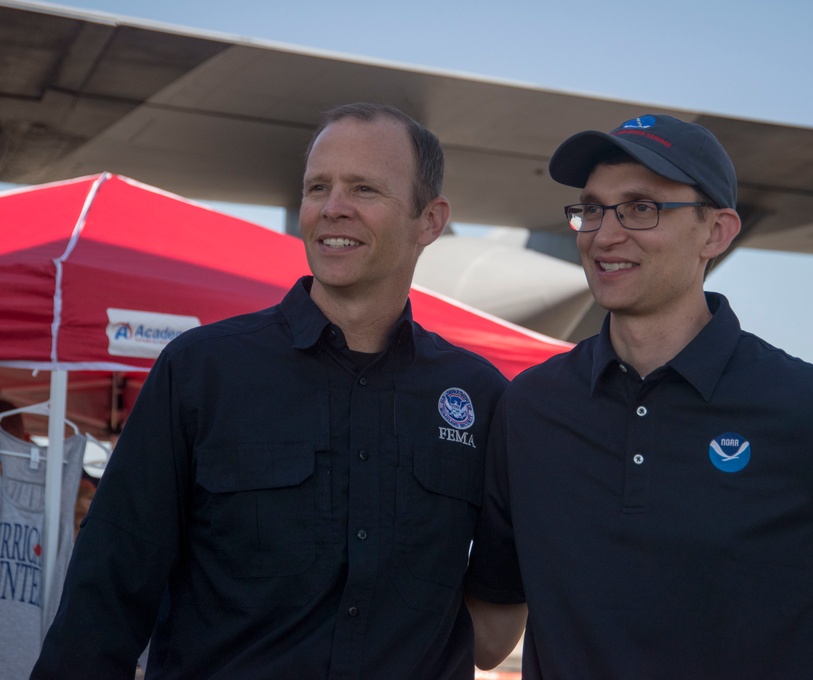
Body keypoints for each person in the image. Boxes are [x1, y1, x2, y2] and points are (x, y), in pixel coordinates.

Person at [465, 114, 813, 679]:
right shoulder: (531, 408)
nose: (605, 234)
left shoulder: (810, 411)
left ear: (716, 232)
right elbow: (492, 632)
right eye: (592, 209)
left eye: (641, 208)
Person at [32, 103, 508, 680]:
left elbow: (495, 625)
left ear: (429, 221)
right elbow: (104, 597)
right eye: (318, 187)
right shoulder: (202, 371)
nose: (333, 208)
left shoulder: (479, 397)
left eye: (364, 189)